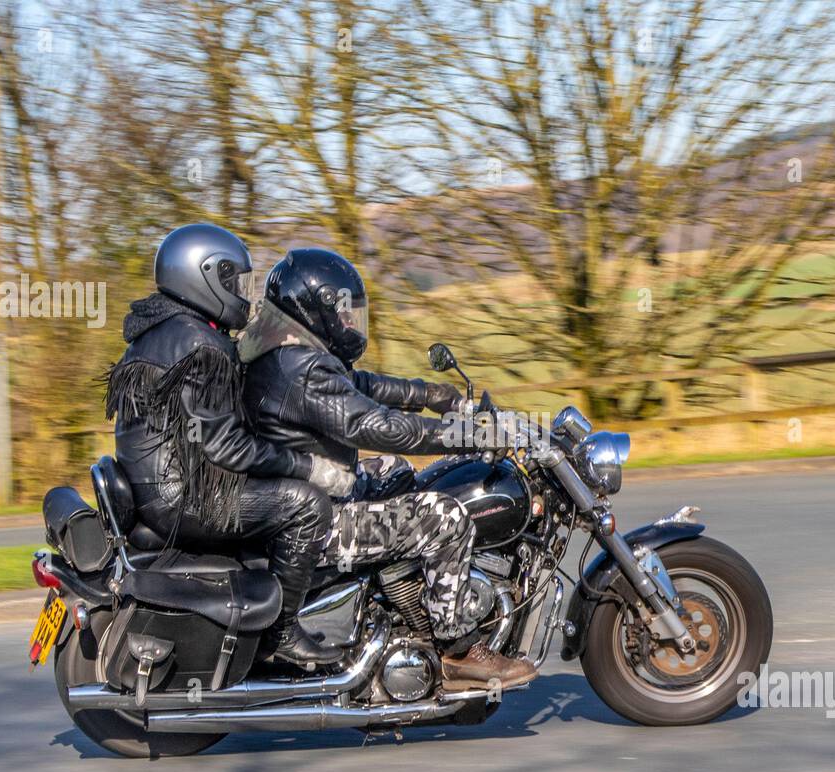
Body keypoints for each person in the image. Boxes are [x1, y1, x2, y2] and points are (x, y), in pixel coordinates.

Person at [237, 248, 537, 689]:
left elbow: (363, 385)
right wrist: (465, 434)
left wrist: (438, 397)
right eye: (342, 312)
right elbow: (370, 424)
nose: (349, 322)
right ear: (314, 309)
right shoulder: (298, 367)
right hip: (314, 522)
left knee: (394, 471)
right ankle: (457, 649)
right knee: (444, 517)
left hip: (303, 498)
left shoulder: (289, 351)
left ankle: (403, 598)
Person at [104, 224, 345, 667]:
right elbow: (227, 448)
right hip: (185, 497)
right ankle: (281, 633)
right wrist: (307, 466)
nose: (244, 294)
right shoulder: (201, 344)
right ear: (206, 276)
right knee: (306, 505)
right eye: (235, 282)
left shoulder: (157, 329)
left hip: (160, 487)